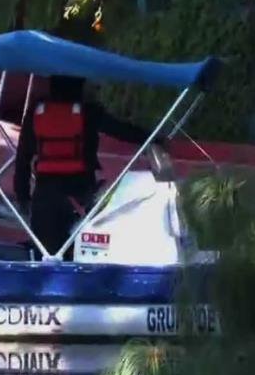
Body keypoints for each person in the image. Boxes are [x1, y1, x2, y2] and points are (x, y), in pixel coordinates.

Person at [14, 75, 152, 258]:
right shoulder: (89, 111)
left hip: (44, 199)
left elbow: (22, 158)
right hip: (80, 197)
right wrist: (154, 138)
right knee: (81, 256)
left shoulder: (36, 111)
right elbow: (123, 131)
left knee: (45, 256)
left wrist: (23, 197)